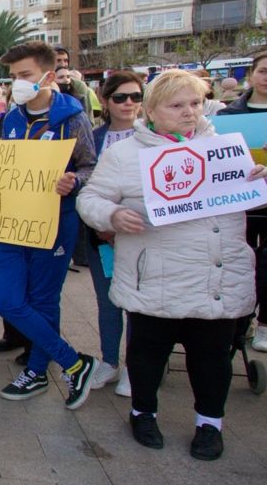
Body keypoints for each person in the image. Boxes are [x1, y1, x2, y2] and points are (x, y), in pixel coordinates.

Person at [79, 70, 260, 460]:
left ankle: (210, 423)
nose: (188, 112)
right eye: (176, 105)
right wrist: (112, 215)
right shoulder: (125, 154)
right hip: (155, 272)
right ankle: (143, 413)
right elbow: (90, 198)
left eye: (195, 103)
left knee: (212, 355)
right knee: (147, 352)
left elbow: (251, 199)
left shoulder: (227, 148)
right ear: (152, 110)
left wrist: (259, 182)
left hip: (215, 272)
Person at [0, 41, 99, 408]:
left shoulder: (73, 117)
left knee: (43, 300)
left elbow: (89, 165)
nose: (16, 84)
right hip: (9, 222)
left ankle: (37, 370)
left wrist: (75, 182)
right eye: (13, 77)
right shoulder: (10, 118)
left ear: (48, 77)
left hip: (55, 221)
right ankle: (75, 362)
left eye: (25, 76)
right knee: (7, 300)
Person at [82, 72, 143, 398]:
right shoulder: (94, 136)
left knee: (136, 304)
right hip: (101, 235)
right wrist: (103, 225)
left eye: (135, 96)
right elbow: (87, 183)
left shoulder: (155, 137)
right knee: (108, 302)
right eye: (120, 97)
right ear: (105, 101)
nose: (129, 103)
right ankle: (109, 361)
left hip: (142, 236)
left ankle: (136, 366)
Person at [219, 52, 267, 352]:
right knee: (239, 261)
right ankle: (240, 322)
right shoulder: (228, 116)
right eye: (263, 71)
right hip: (239, 201)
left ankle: (263, 325)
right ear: (251, 75)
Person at [53, 46, 102, 119]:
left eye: (66, 61)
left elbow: (88, 115)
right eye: (58, 60)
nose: (63, 64)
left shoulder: (78, 85)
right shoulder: (44, 85)